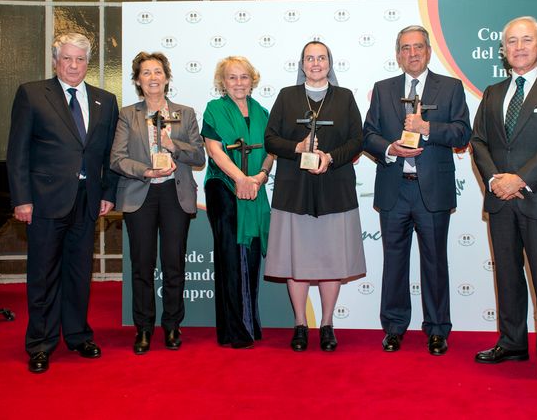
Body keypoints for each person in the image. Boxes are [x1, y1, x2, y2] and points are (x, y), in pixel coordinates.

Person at [7, 32, 119, 373]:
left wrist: (109, 194)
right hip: (43, 203)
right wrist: (22, 199)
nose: (73, 65)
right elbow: (18, 152)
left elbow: (109, 155)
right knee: (42, 274)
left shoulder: (105, 100)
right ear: (56, 61)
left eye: (80, 59)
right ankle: (40, 342)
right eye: (67, 58)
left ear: (88, 63)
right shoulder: (32, 93)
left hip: (87, 202)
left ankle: (77, 335)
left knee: (78, 274)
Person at [470, 16, 537, 385]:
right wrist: (497, 179)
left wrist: (520, 179)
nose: (519, 47)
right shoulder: (494, 92)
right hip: (500, 201)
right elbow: (477, 140)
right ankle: (512, 342)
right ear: (503, 50)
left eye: (526, 40)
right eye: (511, 41)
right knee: (508, 276)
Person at [363, 25, 471, 355]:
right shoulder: (383, 90)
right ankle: (394, 327)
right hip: (395, 188)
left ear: (428, 51)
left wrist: (427, 128)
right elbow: (367, 135)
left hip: (433, 191)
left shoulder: (450, 88)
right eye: (406, 48)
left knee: (435, 262)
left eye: (419, 47)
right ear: (398, 55)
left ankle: (437, 329)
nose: (413, 53)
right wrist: (390, 148)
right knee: (394, 262)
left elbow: (463, 133)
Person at [264, 40, 366, 352]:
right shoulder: (286, 96)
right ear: (302, 63)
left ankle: (326, 323)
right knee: (297, 260)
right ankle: (299, 323)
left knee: (330, 259)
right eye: (310, 58)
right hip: (294, 190)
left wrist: (330, 156)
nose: (316, 63)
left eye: (321, 58)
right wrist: (297, 147)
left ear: (329, 63)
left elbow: (357, 140)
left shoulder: (345, 97)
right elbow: (270, 139)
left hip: (334, 187)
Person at [110, 51, 205, 354]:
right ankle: (144, 328)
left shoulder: (185, 112)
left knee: (174, 264)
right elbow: (117, 159)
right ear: (138, 80)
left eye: (158, 72)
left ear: (167, 77)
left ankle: (173, 325)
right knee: (142, 265)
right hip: (142, 192)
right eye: (146, 73)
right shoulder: (128, 114)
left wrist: (171, 144)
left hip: (175, 194)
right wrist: (147, 171)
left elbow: (199, 156)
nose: (153, 77)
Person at [202, 56, 274, 349]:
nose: (239, 83)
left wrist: (259, 176)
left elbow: (272, 150)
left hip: (255, 187)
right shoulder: (214, 109)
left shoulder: (262, 112)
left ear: (252, 80)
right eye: (232, 77)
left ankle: (249, 322)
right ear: (223, 82)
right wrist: (240, 179)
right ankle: (234, 330)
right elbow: (214, 151)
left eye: (244, 77)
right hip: (223, 187)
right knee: (232, 257)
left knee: (252, 255)